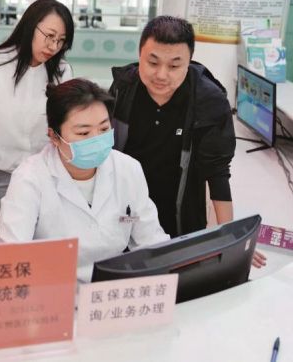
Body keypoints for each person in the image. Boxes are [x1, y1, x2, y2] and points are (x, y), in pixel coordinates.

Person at [109, 15, 266, 268]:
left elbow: (217, 172)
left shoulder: (208, 100)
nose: (161, 75)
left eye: (174, 66)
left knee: (178, 274)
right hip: (125, 208)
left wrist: (231, 238)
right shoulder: (123, 88)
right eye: (152, 63)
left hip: (180, 211)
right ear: (139, 55)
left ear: (189, 62)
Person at [0, 79, 170, 283]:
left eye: (104, 129)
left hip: (113, 288)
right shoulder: (30, 178)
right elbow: (11, 255)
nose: (96, 139)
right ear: (54, 136)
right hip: (52, 289)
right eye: (84, 133)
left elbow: (150, 240)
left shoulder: (127, 169)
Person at [0, 0, 75, 244]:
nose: (53, 46)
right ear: (30, 25)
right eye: (49, 36)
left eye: (61, 41)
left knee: (37, 253)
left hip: (44, 178)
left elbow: (64, 129)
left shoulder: (62, 72)